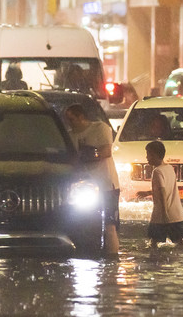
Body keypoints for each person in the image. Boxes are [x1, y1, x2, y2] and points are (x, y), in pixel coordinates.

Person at [64, 103, 120, 257]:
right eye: (67, 120)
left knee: (109, 224)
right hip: (83, 187)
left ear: (81, 117)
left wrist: (89, 155)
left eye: (72, 119)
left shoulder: (100, 128)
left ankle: (112, 257)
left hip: (106, 185)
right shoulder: (69, 136)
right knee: (84, 223)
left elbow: (106, 151)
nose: (70, 123)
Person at [145, 140, 183, 249]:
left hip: (162, 216)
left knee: (153, 244)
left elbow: (163, 192)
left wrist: (165, 214)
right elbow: (167, 188)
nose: (147, 157)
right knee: (181, 243)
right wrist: (148, 193)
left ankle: (156, 264)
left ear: (155, 155)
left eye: (148, 154)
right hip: (177, 215)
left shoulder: (157, 171)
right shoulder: (169, 168)